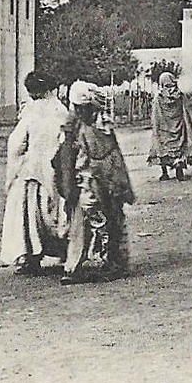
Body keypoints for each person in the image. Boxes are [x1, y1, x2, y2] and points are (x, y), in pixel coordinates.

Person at [2, 70, 79, 274]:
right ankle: (65, 251)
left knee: (30, 214)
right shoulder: (61, 110)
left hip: (32, 170)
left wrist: (15, 167)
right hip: (56, 169)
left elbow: (16, 144)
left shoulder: (30, 112)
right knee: (57, 210)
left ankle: (32, 257)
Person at [61, 81, 136, 284]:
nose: (78, 111)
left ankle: (113, 263)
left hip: (103, 179)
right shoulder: (78, 124)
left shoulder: (100, 126)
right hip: (88, 181)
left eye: (82, 107)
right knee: (84, 221)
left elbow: (108, 156)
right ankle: (75, 266)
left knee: (109, 220)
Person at [147, 71, 192, 181]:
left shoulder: (158, 98)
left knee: (162, 148)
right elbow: (184, 112)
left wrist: (156, 127)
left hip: (163, 129)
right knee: (180, 147)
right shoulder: (179, 96)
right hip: (178, 126)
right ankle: (179, 171)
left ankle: (165, 173)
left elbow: (155, 115)